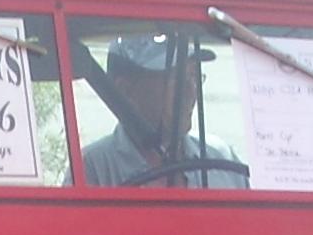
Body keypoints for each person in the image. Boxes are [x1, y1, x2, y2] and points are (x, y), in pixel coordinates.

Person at [81, 34, 249, 189]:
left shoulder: (222, 159)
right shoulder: (95, 168)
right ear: (124, 90)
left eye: (193, 76)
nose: (190, 91)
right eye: (176, 78)